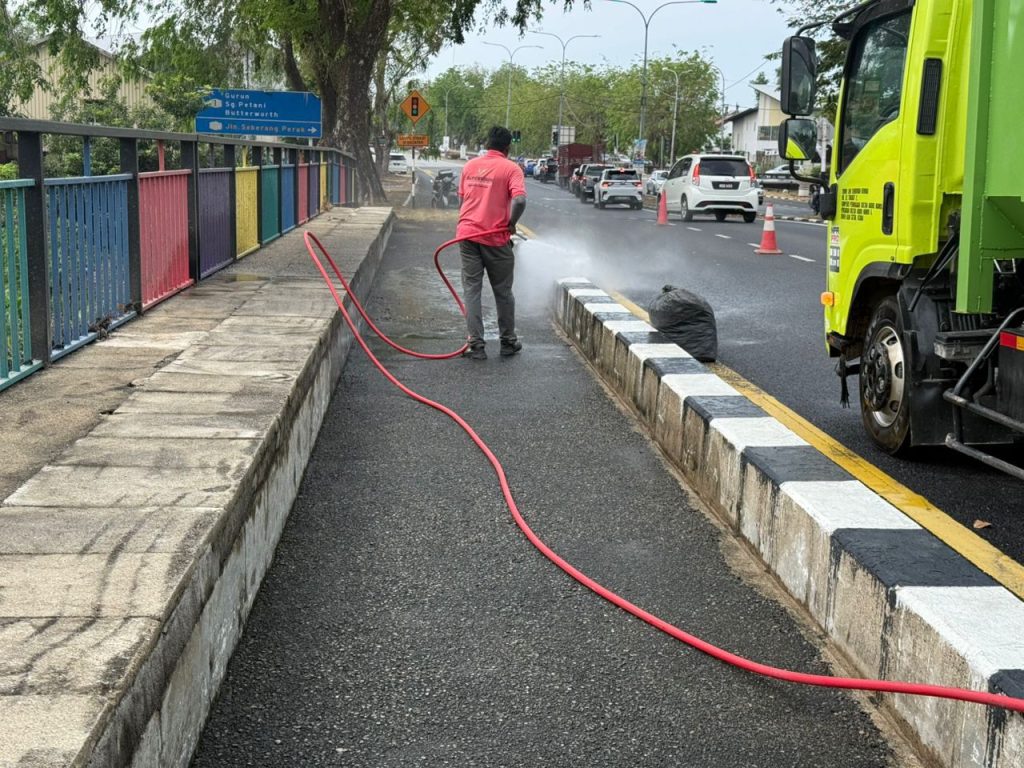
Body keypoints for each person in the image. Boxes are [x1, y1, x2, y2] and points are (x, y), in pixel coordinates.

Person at [456, 126, 527, 360]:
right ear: (507, 147)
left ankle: (476, 345)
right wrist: (511, 223)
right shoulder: (511, 168)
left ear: (487, 144)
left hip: (467, 236)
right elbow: (519, 201)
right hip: (495, 238)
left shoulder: (469, 166)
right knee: (503, 292)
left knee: (472, 290)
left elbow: (462, 201)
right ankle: (508, 342)